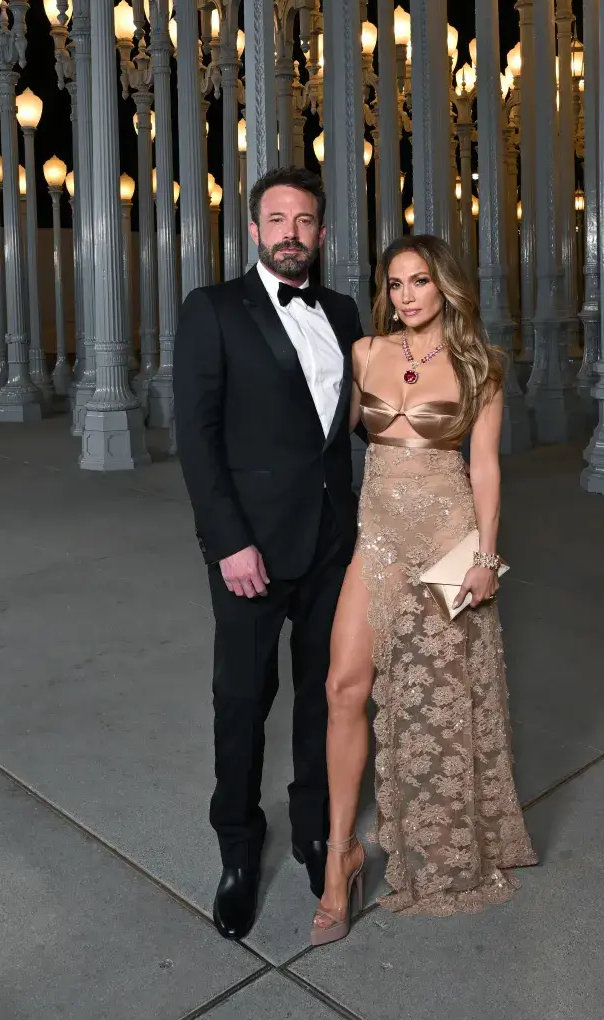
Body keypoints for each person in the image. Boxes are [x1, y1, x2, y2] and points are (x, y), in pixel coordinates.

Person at [312, 234, 536, 943]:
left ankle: (442, 845)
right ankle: (340, 853)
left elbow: (486, 469)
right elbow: (326, 423)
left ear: (446, 287)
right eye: (396, 283)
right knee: (344, 686)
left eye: (419, 281)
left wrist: (485, 557)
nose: (406, 295)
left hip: (446, 544)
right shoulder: (365, 353)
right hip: (375, 539)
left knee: (439, 701)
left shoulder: (482, 366)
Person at [173, 166, 364, 941]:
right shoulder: (213, 309)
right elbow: (198, 436)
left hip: (335, 545)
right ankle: (239, 850)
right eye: (277, 218)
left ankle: (318, 835)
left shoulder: (347, 311)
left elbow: (365, 420)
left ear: (322, 232)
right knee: (243, 702)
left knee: (326, 694)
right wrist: (229, 542)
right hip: (251, 549)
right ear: (254, 229)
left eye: (306, 219)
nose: (291, 231)